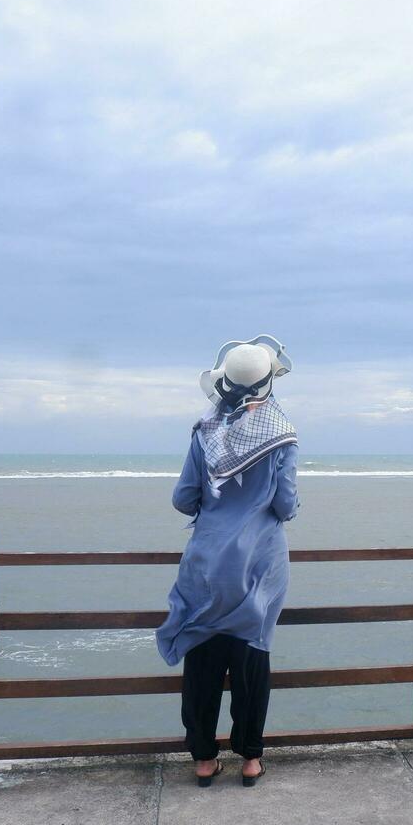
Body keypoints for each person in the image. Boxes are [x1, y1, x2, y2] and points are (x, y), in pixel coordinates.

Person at [155, 335, 299, 788]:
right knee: (252, 656)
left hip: (207, 563)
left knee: (202, 657)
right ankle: (251, 759)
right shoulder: (282, 436)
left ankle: (203, 760)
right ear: (268, 384)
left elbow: (183, 499)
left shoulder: (204, 432)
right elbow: (286, 505)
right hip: (258, 563)